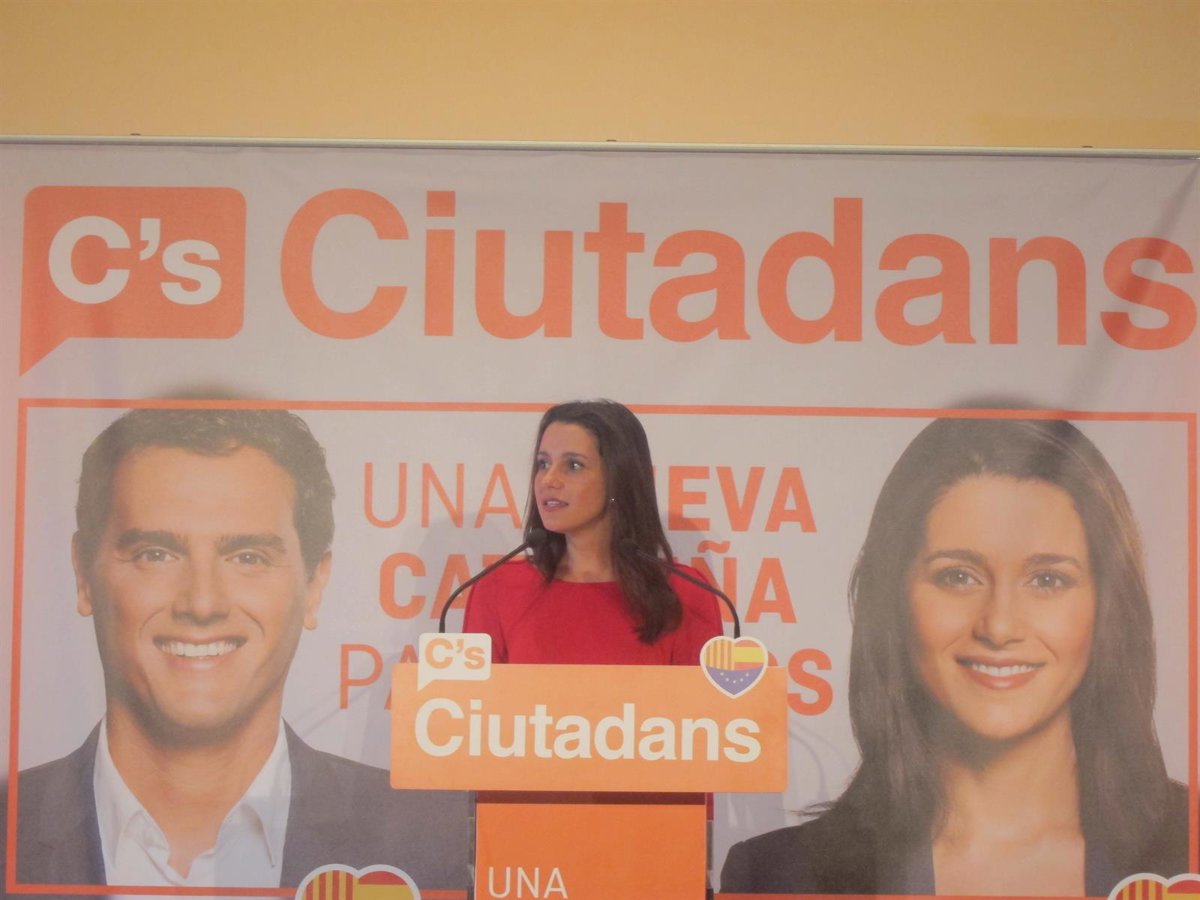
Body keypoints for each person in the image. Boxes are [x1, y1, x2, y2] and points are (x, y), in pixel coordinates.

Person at [721, 418, 1188, 896]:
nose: (999, 626)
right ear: (894, 600)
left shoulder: (1187, 846)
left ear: (1109, 605)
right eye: (958, 576)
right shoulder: (778, 876)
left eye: (1047, 580)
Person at [8, 408, 466, 893]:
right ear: (83, 573)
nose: (202, 603)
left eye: (248, 557)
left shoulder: (430, 838)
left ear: (314, 585)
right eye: (156, 554)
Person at [464, 399, 722, 664]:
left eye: (573, 465)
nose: (548, 480)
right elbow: (471, 691)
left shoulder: (685, 593)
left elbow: (704, 692)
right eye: (543, 464)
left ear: (618, 480)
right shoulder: (498, 588)